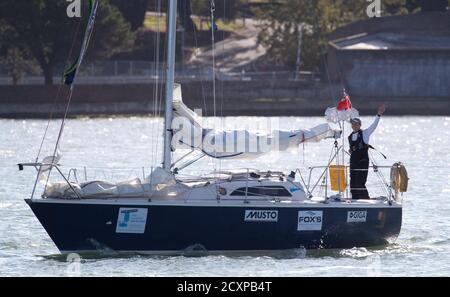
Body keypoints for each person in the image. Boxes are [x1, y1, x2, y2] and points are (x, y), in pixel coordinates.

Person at [348, 104, 385, 199]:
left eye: (356, 124)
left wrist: (379, 115)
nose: (354, 125)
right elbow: (353, 149)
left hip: (362, 162)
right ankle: (355, 200)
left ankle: (365, 200)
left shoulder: (365, 133)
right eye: (352, 124)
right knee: (352, 184)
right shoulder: (350, 136)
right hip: (353, 162)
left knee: (360, 183)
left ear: (359, 125)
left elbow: (374, 125)